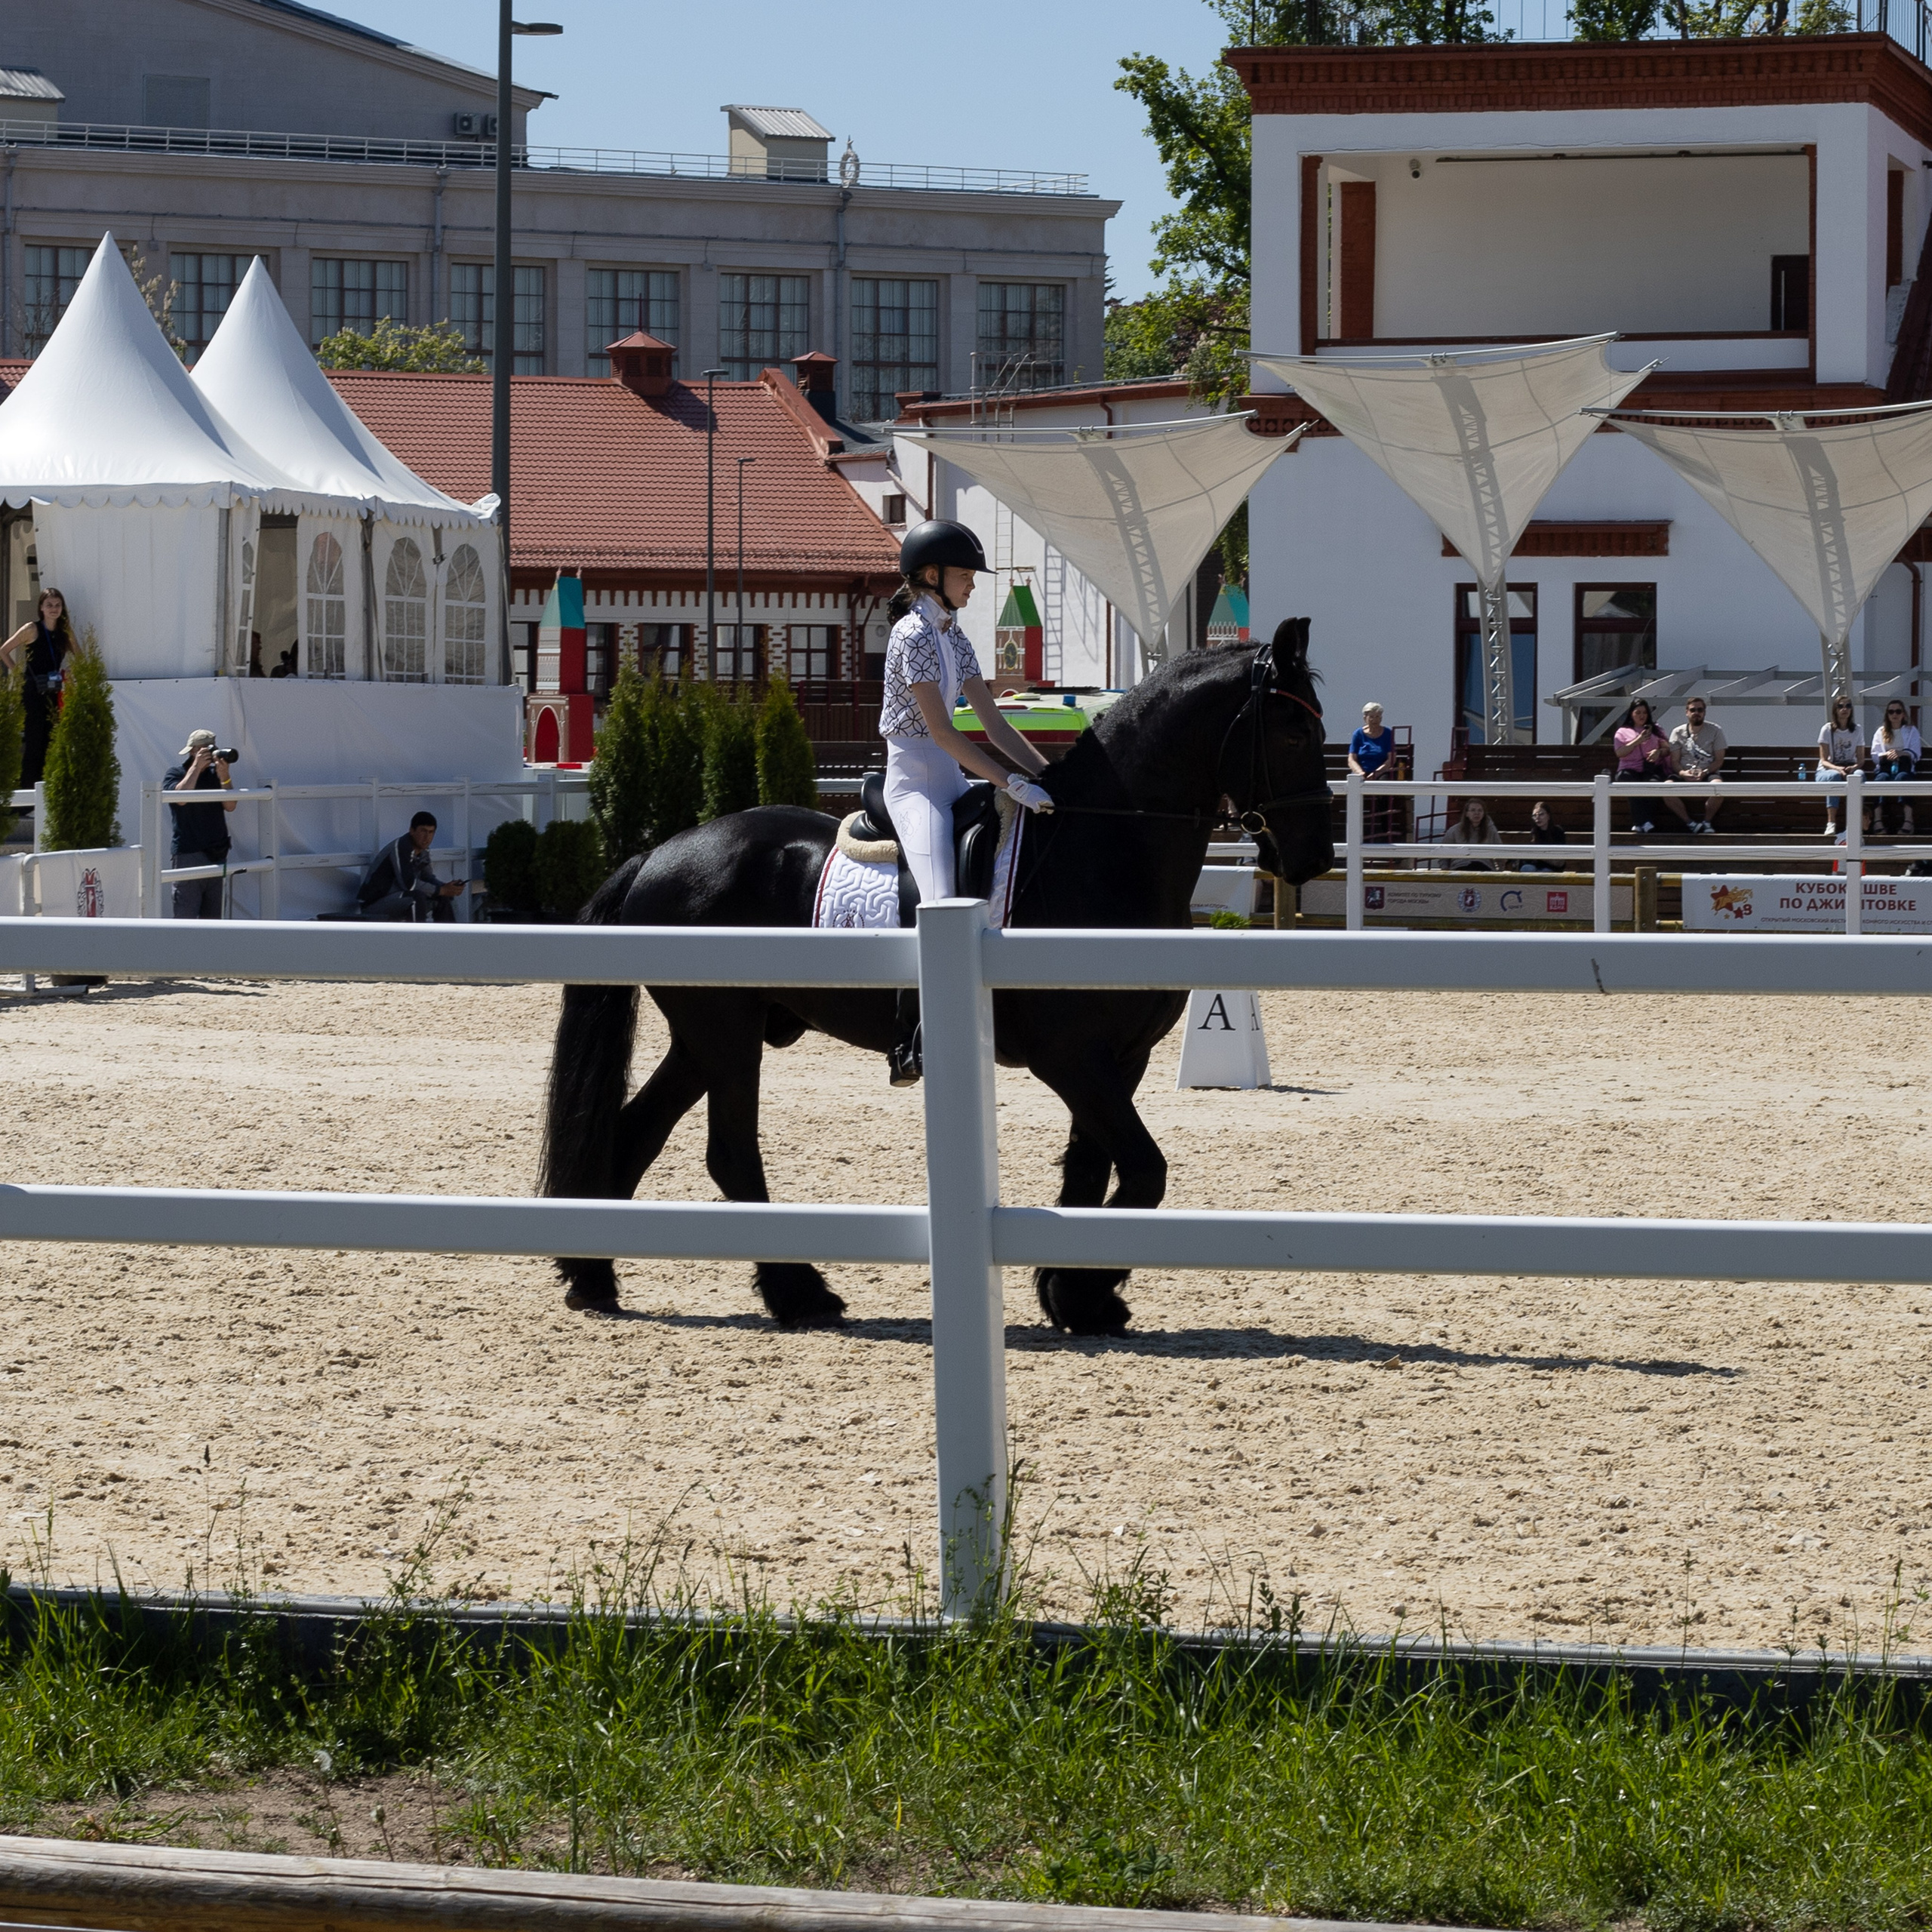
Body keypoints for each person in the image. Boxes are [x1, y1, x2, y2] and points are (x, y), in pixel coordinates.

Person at [878, 520, 1054, 1086]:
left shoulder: (954, 636)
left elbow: (994, 724)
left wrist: (1050, 775)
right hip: (913, 782)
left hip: (952, 776)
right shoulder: (911, 636)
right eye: (964, 575)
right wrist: (1009, 783)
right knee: (942, 899)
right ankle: (914, 1038)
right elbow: (944, 733)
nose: (973, 585)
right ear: (931, 576)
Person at [0, 586, 78, 786]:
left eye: (58, 605)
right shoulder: (31, 629)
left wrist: (69, 673)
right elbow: (4, 651)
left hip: (54, 691)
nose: (54, 609)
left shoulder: (63, 632)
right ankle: (26, 802)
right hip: (34, 692)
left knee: (51, 743)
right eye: (49, 605)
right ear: (41, 607)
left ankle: (45, 794)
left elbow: (81, 658)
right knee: (34, 743)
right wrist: (20, 675)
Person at [162, 728, 238, 919]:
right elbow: (180, 799)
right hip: (189, 854)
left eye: (211, 749)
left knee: (213, 920)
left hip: (216, 854)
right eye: (203, 749)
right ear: (192, 751)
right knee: (185, 918)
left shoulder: (216, 775)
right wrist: (195, 767)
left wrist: (224, 776)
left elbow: (230, 805)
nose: (209, 754)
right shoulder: (175, 773)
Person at [356, 811, 465, 921]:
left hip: (398, 898)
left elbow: (428, 877)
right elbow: (409, 885)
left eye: (431, 832)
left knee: (442, 898)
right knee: (416, 898)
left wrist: (448, 887)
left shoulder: (423, 851)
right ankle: (417, 938)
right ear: (412, 831)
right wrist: (441, 890)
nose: (427, 837)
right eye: (423, 831)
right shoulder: (401, 848)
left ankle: (447, 937)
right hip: (374, 904)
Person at [1611, 698, 1674, 832]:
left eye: (1644, 713)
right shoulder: (1622, 732)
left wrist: (1658, 752)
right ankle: (1644, 822)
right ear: (1631, 714)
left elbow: (1667, 749)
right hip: (1629, 769)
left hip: (1651, 768)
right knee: (1631, 785)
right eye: (1638, 712)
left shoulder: (1656, 729)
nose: (1642, 716)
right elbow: (1620, 753)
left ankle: (1639, 823)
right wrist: (1637, 740)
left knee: (1653, 785)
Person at [1666, 697, 1726, 834]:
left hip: (1708, 771)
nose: (1696, 713)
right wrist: (1683, 773)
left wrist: (1705, 772)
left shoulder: (1715, 730)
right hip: (1684, 772)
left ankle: (1707, 822)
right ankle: (1691, 823)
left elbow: (1719, 760)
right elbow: (1674, 761)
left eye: (1700, 710)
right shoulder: (1677, 732)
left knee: (1721, 788)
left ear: (1704, 712)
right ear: (1687, 712)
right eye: (1693, 710)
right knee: (1665, 788)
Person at [1349, 701, 1401, 844]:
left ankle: (1384, 833)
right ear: (1365, 717)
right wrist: (1360, 773)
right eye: (1372, 717)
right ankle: (1355, 833)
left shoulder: (1387, 733)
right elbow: (1352, 758)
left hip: (1381, 771)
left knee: (1383, 789)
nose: (1376, 720)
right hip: (1362, 771)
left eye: (1378, 717)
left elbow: (1391, 759)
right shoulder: (1358, 734)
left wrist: (1376, 774)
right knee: (1353, 789)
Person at [1816, 696, 1866, 839]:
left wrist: (1853, 767)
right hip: (1827, 771)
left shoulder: (1857, 730)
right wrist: (1838, 769)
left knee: (1859, 776)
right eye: (1841, 706)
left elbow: (1861, 759)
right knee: (1834, 777)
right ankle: (1831, 822)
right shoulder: (1827, 729)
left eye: (1848, 706)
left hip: (1849, 768)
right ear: (1835, 710)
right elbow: (1824, 760)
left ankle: (1855, 823)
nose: (1845, 709)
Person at [1869, 699, 1921, 836]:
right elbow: (1875, 755)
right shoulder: (1881, 732)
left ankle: (1908, 821)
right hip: (1885, 767)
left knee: (1903, 778)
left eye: (1898, 711)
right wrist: (1887, 755)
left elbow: (1916, 753)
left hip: (1904, 766)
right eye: (1891, 712)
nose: (1895, 715)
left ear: (1903, 714)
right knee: (1881, 779)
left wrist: (1901, 753)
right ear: (1887, 714)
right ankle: (1877, 820)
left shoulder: (1911, 731)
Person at [1440, 797, 1502, 869]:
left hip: (1484, 866)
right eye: (1473, 810)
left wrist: (1500, 871)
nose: (1477, 813)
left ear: (1484, 814)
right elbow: (1444, 853)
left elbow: (1500, 851)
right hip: (1460, 866)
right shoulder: (1454, 830)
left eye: (1480, 810)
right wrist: (1445, 869)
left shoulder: (1490, 831)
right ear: (1467, 813)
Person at [1521, 798, 1568, 872]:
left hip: (1552, 867)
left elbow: (1560, 862)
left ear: (1549, 816)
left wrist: (1539, 855)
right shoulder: (1534, 832)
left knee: (1545, 872)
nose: (1538, 818)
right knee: (1527, 869)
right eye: (1534, 815)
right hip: (1535, 866)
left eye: (1541, 814)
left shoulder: (1558, 831)